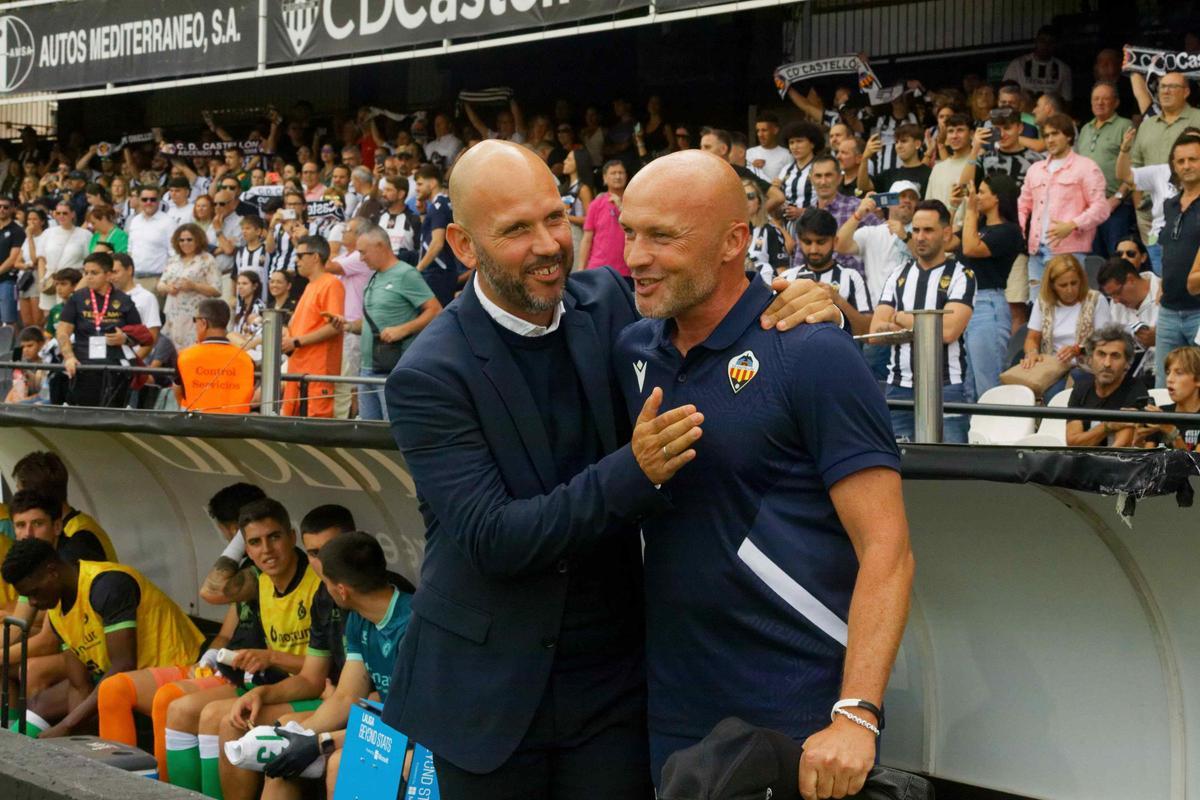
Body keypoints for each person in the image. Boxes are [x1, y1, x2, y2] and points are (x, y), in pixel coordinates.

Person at [381, 140, 840, 799]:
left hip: (613, 689)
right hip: (487, 696)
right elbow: (494, 538)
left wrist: (801, 304)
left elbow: (713, 301)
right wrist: (635, 471)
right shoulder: (428, 374)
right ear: (460, 242)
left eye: (553, 217)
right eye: (516, 230)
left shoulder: (610, 304)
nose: (547, 244)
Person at [613, 149, 910, 794]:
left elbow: (887, 549)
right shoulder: (635, 346)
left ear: (734, 242)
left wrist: (857, 713)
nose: (636, 256)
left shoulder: (811, 352)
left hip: (794, 711)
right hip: (673, 706)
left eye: (663, 236)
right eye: (630, 231)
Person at [162, 498, 321, 798]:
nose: (267, 550)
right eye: (255, 543)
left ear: (292, 537)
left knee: (224, 721)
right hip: (277, 682)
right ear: (246, 549)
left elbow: (324, 670)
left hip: (314, 689)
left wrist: (271, 657)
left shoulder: (318, 584)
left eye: (274, 537)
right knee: (179, 708)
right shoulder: (260, 581)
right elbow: (212, 590)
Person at [253, 532, 414, 799]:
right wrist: (302, 738)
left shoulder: (413, 627)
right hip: (394, 722)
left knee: (341, 763)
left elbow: (414, 723)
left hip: (429, 736)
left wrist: (322, 742)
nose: (324, 588)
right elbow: (346, 695)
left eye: (325, 582)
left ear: (341, 590)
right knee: (287, 757)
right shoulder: (359, 619)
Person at [0, 537, 203, 739]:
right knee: (39, 704)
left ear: (52, 572)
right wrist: (73, 742)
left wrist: (67, 726)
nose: (33, 603)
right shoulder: (56, 612)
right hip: (124, 682)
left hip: (179, 669)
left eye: (34, 592)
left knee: (110, 698)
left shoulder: (107, 585)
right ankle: (12, 749)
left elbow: (123, 665)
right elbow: (78, 684)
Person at [870, 200, 976, 442]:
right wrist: (922, 325)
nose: (919, 237)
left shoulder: (963, 275)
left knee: (947, 471)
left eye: (928, 230)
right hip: (899, 386)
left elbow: (947, 332)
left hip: (946, 386)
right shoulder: (898, 274)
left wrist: (898, 317)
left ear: (946, 233)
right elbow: (876, 332)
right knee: (901, 469)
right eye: (915, 230)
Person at [324, 223, 440, 421]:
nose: (361, 258)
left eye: (363, 252)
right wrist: (349, 326)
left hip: (393, 368)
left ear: (380, 246)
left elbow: (436, 310)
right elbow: (373, 320)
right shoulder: (374, 277)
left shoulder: (406, 274)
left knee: (392, 430)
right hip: (367, 368)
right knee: (370, 432)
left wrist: (403, 330)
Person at [1017, 113, 1110, 294]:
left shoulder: (1086, 167)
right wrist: (1020, 232)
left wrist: (1072, 225)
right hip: (1036, 250)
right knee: (1039, 307)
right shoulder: (1036, 169)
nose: (1050, 139)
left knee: (1068, 305)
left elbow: (1101, 207)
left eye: (1055, 134)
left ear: (1068, 136)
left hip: (1070, 250)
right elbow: (1023, 205)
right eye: (1046, 135)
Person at [959, 175, 1025, 396]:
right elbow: (948, 240)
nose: (977, 197)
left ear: (997, 197)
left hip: (988, 305)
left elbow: (970, 248)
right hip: (965, 304)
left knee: (988, 383)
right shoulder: (977, 226)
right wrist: (954, 206)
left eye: (982, 192)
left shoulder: (1009, 231)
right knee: (969, 384)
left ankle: (995, 429)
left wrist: (969, 211)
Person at [55, 252, 144, 408]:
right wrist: (68, 357)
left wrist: (124, 338)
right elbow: (62, 331)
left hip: (115, 369)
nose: (88, 277)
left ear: (108, 274)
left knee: (112, 415)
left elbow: (141, 334)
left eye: (94, 273)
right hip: (82, 366)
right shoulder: (77, 298)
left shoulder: (123, 300)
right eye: (86, 272)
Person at [1020, 254, 1111, 398]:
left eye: (1074, 283)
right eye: (1063, 285)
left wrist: (1078, 350)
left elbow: (1105, 342)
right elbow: (1032, 338)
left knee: (1065, 387)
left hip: (1086, 367)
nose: (1070, 290)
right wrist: (1032, 353)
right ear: (1052, 286)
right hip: (1052, 367)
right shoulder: (1043, 302)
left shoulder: (1095, 300)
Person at [1129, 73, 1200, 256]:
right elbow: (1135, 165)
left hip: (1190, 209)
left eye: (1172, 87)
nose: (1166, 91)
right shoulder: (1147, 125)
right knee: (1160, 271)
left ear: (1186, 92)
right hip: (1150, 214)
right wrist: (1138, 205)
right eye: (1162, 87)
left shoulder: (1198, 118)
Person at [781, 207, 872, 335]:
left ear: (835, 241)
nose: (813, 249)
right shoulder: (786, 278)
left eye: (821, 242)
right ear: (799, 241)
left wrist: (836, 299)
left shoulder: (851, 277)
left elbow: (867, 332)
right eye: (807, 242)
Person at [282, 235, 344, 418]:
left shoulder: (331, 283)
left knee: (314, 426)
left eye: (300, 256)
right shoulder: (310, 286)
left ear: (315, 257)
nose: (296, 260)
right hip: (299, 368)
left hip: (317, 370)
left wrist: (297, 341)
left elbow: (334, 327)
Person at [1075, 82, 1134, 258]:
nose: (1100, 103)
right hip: (1089, 208)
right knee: (1093, 261)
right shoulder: (1086, 128)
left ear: (1116, 103)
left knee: (1116, 259)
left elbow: (1134, 167)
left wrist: (1117, 199)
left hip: (1115, 207)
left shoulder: (1125, 125)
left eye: (1105, 99)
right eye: (1096, 99)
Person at [1161, 134, 1200, 388]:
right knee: (1163, 388)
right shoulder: (1170, 205)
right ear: (1174, 166)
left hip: (1199, 310)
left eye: (1193, 159)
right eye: (1181, 160)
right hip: (1168, 310)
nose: (1186, 165)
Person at [1065, 325, 1146, 447]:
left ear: (1127, 363)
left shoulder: (1135, 391)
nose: (1107, 363)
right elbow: (1073, 443)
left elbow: (1121, 448)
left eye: (1115, 356)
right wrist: (1108, 426)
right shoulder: (1081, 389)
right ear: (1090, 359)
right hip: (1083, 463)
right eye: (1101, 354)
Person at [174, 298, 255, 414]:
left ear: (203, 323)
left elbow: (178, 391)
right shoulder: (246, 359)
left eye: (194, 320)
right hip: (236, 427)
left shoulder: (185, 356)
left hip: (195, 427)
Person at [158, 223, 222, 350]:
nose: (185, 243)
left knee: (192, 353)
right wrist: (168, 288)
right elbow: (160, 284)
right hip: (173, 316)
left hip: (195, 317)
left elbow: (217, 290)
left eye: (189, 239)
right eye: (181, 240)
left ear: (198, 240)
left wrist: (194, 286)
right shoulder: (173, 260)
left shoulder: (207, 260)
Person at [1098, 257, 1158, 381]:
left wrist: (1160, 338)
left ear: (1130, 279)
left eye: (1117, 292)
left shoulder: (1164, 292)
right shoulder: (1116, 304)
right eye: (1111, 296)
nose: (1115, 300)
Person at [413, 164, 463, 308]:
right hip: (442, 272)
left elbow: (437, 243)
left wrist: (418, 269)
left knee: (435, 317)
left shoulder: (438, 206)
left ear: (433, 183)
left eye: (420, 184)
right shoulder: (441, 204)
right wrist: (423, 213)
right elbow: (430, 235)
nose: (416, 188)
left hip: (438, 273)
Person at [766, 121, 824, 225]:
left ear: (812, 143)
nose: (794, 146)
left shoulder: (821, 167)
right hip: (787, 227)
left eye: (799, 141)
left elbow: (829, 200)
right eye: (791, 142)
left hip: (813, 224)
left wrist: (803, 212)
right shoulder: (786, 170)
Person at [579, 159, 630, 277]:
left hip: (627, 270)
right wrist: (581, 268)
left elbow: (637, 230)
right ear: (605, 178)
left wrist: (620, 207)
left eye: (621, 173)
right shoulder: (596, 204)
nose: (618, 176)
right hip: (598, 268)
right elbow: (587, 239)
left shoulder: (633, 202)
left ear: (626, 176)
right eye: (613, 173)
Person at [1143, 346, 1200, 450]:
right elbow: (1145, 460)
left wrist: (1171, 431)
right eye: (1168, 373)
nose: (1169, 379)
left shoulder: (1163, 419)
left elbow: (1194, 465)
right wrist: (1138, 438)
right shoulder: (1161, 413)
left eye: (1179, 373)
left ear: (1198, 380)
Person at [126, 186, 176, 295]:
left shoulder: (168, 222)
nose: (149, 202)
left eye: (153, 199)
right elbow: (130, 250)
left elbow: (174, 255)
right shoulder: (135, 221)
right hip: (134, 280)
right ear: (139, 200)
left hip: (156, 280)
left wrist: (164, 281)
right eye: (145, 199)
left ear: (158, 201)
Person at [925, 113, 973, 224]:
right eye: (950, 131)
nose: (954, 136)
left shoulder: (976, 164)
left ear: (971, 134)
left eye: (960, 130)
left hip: (965, 231)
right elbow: (929, 203)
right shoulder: (938, 168)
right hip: (938, 231)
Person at [859, 124, 931, 196]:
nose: (898, 146)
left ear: (917, 144)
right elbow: (863, 186)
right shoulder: (889, 174)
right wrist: (865, 158)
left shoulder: (930, 174)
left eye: (904, 141)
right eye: (896, 142)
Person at [1003, 26, 1072, 101]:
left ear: (1055, 45)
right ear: (1036, 42)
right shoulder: (1017, 65)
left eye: (1051, 42)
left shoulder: (1063, 69)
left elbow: (1067, 100)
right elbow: (1004, 93)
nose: (1046, 45)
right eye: (1042, 41)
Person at [745, 178, 791, 280]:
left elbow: (782, 271)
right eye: (741, 197)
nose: (745, 201)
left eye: (750, 196)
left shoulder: (770, 231)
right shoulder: (730, 230)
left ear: (760, 202)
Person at [561, 146, 596, 259]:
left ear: (578, 163)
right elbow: (568, 208)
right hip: (568, 235)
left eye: (569, 159)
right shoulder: (569, 187)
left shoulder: (583, 189)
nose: (564, 161)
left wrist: (565, 217)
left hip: (578, 238)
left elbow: (589, 219)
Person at [15, 205, 46, 328]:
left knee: (37, 320)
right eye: (29, 219)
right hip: (25, 278)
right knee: (27, 321)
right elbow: (17, 262)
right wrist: (25, 265)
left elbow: (35, 259)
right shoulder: (26, 240)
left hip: (37, 276)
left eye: (35, 219)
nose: (31, 222)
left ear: (42, 222)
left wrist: (29, 237)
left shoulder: (44, 237)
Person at [746, 112, 791, 184]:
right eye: (758, 131)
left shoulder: (787, 155)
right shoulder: (749, 153)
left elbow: (790, 179)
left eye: (764, 130)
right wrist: (752, 167)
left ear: (775, 130)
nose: (760, 134)